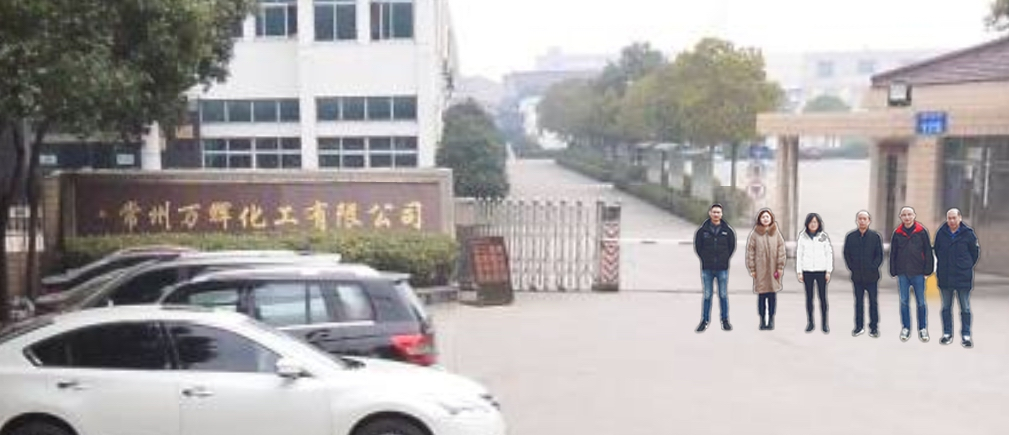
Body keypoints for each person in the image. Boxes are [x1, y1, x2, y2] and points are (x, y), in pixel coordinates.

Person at [933, 208, 980, 348]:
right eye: (949, 218)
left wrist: (966, 265)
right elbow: (937, 250)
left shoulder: (968, 234)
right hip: (946, 276)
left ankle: (966, 335)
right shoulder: (941, 233)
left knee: (965, 307)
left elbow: (974, 253)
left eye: (954, 218)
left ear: (960, 218)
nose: (952, 221)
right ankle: (947, 333)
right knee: (946, 306)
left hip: (962, 276)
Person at [889, 206, 934, 343]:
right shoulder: (897, 233)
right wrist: (893, 270)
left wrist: (928, 270)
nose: (907, 217)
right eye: (904, 215)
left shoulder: (921, 232)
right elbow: (893, 253)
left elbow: (928, 251)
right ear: (900, 217)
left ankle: (922, 328)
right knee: (904, 301)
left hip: (918, 272)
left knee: (921, 302)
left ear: (914, 216)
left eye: (909, 214)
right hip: (903, 272)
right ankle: (906, 327)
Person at [694, 203, 737, 332]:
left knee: (723, 295)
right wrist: (705, 258)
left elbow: (731, 247)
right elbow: (698, 247)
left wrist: (724, 259)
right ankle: (704, 320)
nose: (716, 214)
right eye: (714, 212)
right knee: (707, 295)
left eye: (718, 212)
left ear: (721, 214)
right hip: (707, 268)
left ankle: (725, 321)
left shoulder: (727, 231)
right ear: (710, 213)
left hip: (722, 268)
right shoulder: (703, 231)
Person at [843, 210, 884, 338]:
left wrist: (873, 267)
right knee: (858, 302)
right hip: (857, 276)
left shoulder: (875, 237)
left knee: (873, 302)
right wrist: (852, 268)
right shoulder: (851, 237)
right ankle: (859, 326)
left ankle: (874, 328)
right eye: (860, 218)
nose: (862, 221)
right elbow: (847, 254)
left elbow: (879, 255)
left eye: (864, 219)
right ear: (857, 220)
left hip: (872, 276)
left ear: (869, 221)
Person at [746, 208, 786, 330]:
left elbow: (781, 250)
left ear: (771, 218)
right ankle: (762, 320)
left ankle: (771, 320)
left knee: (772, 296)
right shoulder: (755, 234)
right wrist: (752, 269)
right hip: (760, 270)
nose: (765, 219)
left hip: (773, 270)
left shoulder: (776, 233)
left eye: (767, 217)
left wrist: (780, 266)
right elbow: (750, 252)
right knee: (762, 296)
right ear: (759, 219)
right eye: (763, 217)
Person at [795, 213, 833, 334]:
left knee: (822, 298)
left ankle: (824, 323)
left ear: (819, 224)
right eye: (811, 222)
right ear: (807, 223)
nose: (813, 224)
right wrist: (799, 271)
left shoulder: (823, 236)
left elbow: (829, 254)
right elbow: (799, 254)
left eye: (815, 222)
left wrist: (828, 270)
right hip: (807, 270)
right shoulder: (803, 237)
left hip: (821, 270)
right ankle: (810, 322)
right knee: (809, 298)